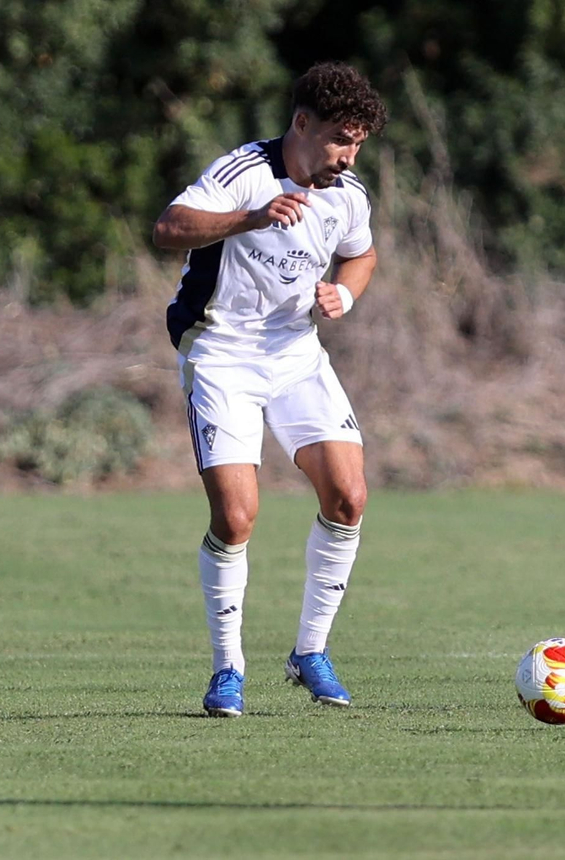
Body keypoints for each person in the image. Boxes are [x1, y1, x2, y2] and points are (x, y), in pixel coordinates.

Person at [150, 62, 388, 717]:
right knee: (235, 517)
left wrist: (346, 290)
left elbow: (361, 254)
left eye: (359, 143)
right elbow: (168, 229)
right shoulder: (243, 174)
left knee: (349, 495)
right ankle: (228, 671)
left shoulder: (348, 194)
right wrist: (249, 219)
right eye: (340, 139)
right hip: (221, 355)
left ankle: (310, 652)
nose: (348, 155)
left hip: (295, 355)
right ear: (302, 124)